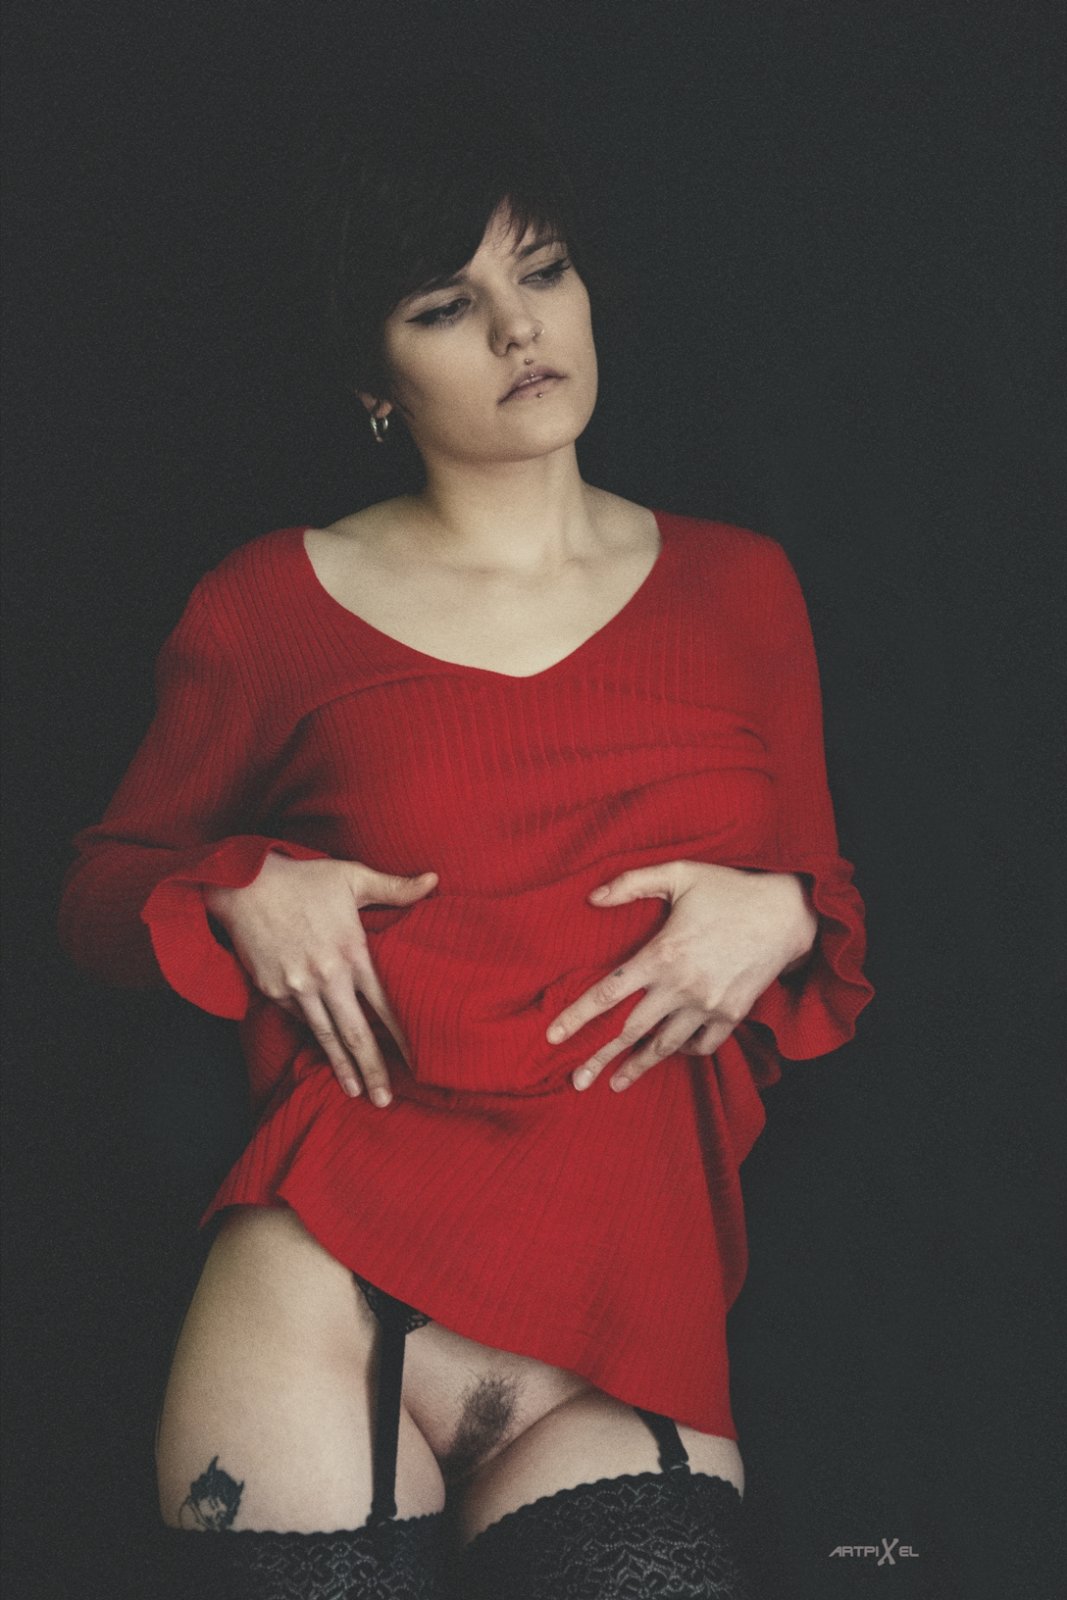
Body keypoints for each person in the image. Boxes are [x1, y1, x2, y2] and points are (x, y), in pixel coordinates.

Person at [58, 75, 873, 1599]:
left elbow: (825, 895)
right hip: (329, 1284)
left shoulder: (743, 589)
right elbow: (100, 896)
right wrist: (240, 889)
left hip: (626, 1320)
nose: (519, 331)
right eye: (447, 304)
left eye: (541, 272)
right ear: (372, 374)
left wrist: (784, 912)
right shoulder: (269, 603)